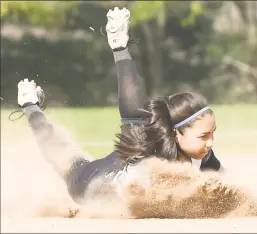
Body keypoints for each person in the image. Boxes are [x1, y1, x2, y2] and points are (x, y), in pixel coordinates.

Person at [17, 7, 223, 204]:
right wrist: (120, 48)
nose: (211, 142)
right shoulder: (151, 145)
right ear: (177, 134)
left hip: (116, 164)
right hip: (89, 181)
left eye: (212, 133)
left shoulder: (204, 157)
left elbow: (223, 184)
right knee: (62, 156)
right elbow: (134, 109)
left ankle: (30, 105)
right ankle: (30, 106)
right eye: (204, 136)